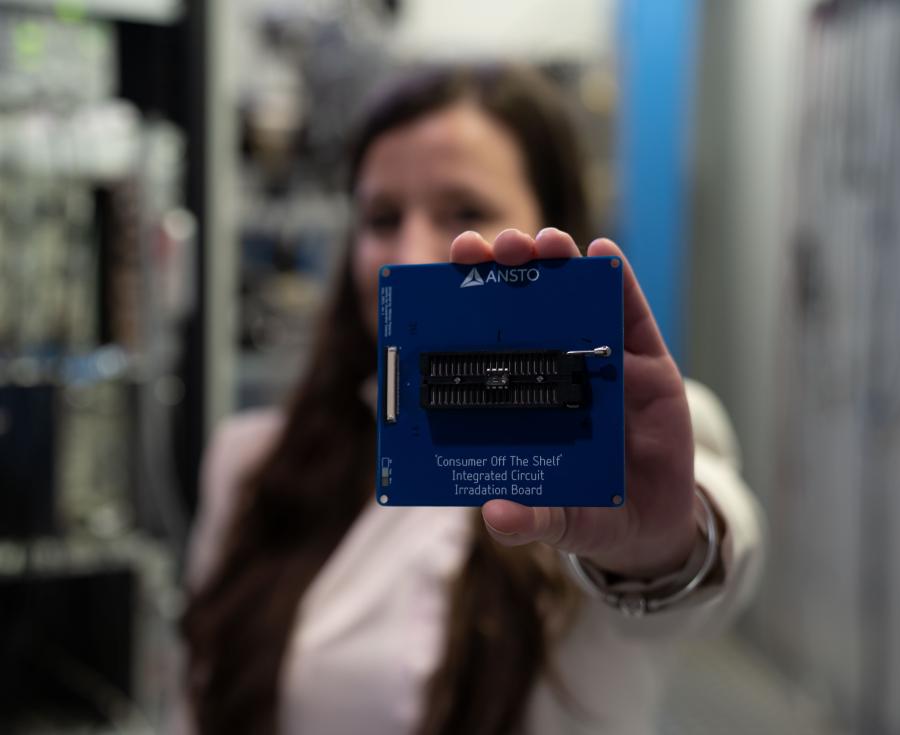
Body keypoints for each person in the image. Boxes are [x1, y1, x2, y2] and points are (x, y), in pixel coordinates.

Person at [179, 64, 764, 735]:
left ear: (551, 229)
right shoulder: (252, 459)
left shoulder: (633, 442)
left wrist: (660, 550)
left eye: (465, 212)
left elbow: (714, 550)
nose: (412, 252)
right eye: (381, 217)